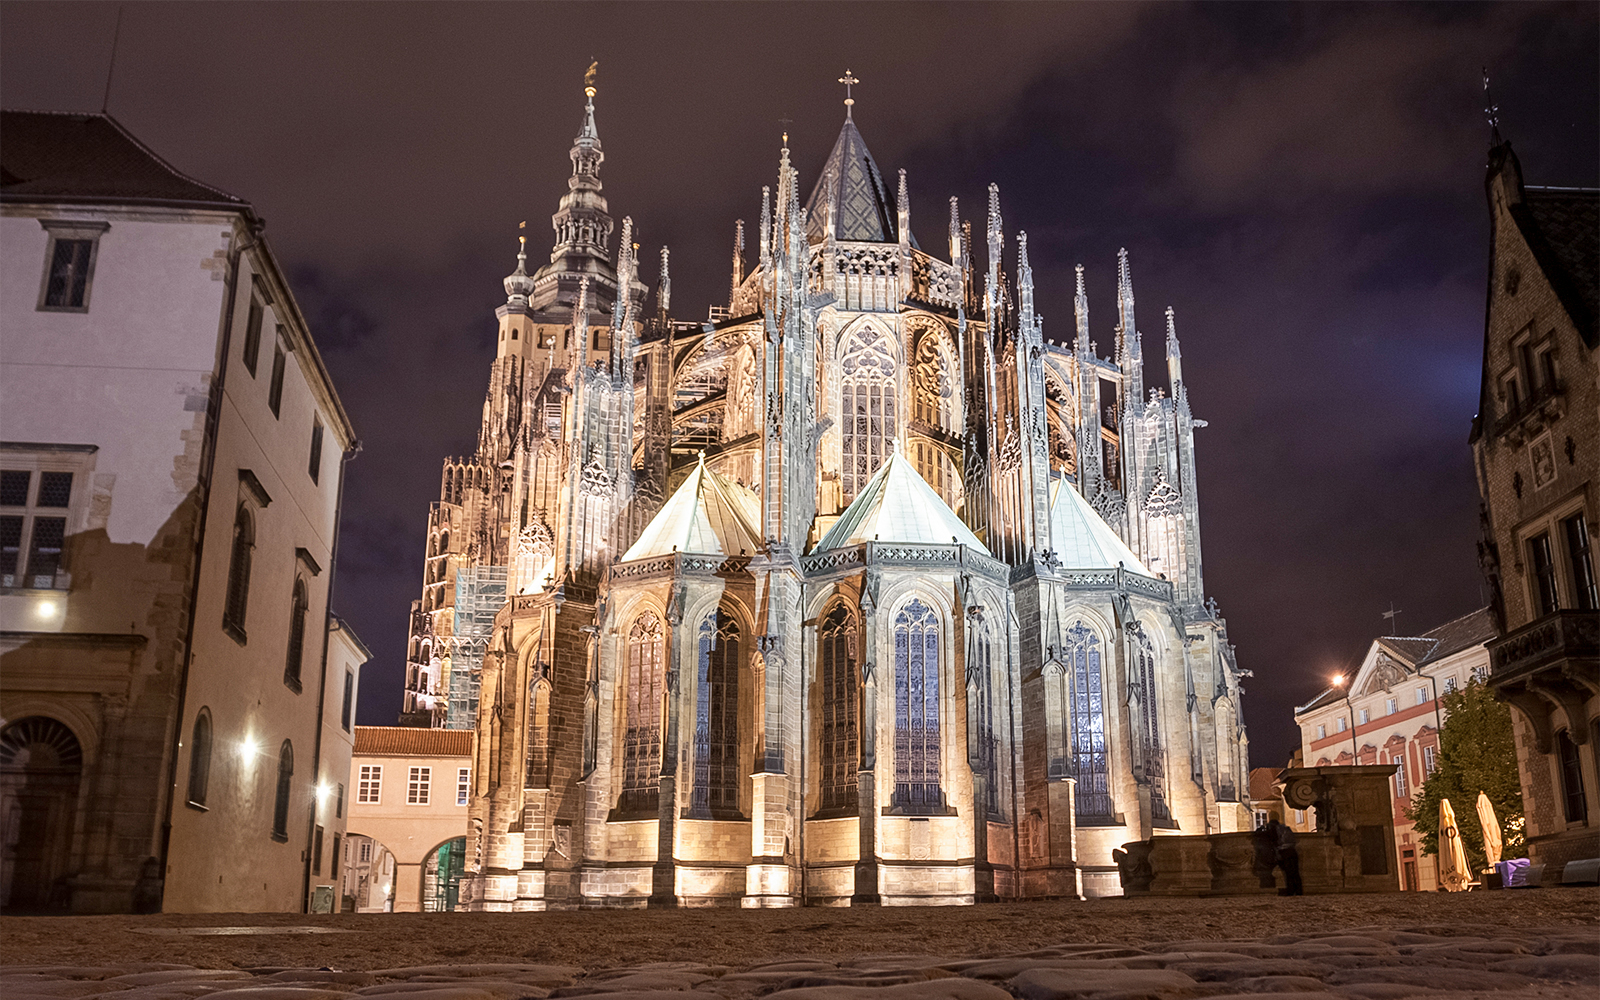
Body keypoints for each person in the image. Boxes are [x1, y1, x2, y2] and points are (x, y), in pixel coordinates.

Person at [1265, 817, 1303, 896]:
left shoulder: (1275, 830)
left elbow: (1274, 841)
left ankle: (1291, 890)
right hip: (1292, 850)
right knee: (1295, 872)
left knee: (1288, 873)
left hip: (1284, 852)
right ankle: (1299, 891)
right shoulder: (1286, 829)